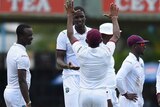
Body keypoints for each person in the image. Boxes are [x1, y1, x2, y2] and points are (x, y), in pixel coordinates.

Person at [65, 0, 120, 107]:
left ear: (86, 41)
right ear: (101, 41)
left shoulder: (81, 51)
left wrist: (69, 15)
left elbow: (70, 35)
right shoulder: (106, 51)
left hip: (84, 93)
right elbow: (116, 35)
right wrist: (114, 18)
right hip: (100, 94)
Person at [56, 4, 92, 107]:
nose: (79, 19)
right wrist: (68, 66)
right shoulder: (63, 35)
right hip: (71, 76)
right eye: (76, 17)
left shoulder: (92, 33)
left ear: (85, 17)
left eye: (81, 16)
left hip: (88, 77)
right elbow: (59, 59)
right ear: (72, 18)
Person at [3, 24, 33, 107]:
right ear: (21, 36)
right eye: (29, 35)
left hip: (10, 93)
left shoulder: (13, 49)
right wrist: (28, 102)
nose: (32, 37)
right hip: (17, 95)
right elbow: (22, 80)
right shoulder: (21, 55)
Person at [116, 35, 149, 107]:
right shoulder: (129, 62)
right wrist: (125, 94)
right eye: (142, 44)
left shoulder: (140, 61)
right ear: (135, 46)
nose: (144, 47)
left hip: (137, 100)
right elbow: (118, 78)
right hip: (128, 101)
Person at [99, 23, 120, 107]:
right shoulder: (103, 50)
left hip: (111, 90)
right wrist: (107, 96)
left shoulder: (107, 47)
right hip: (105, 91)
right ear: (107, 35)